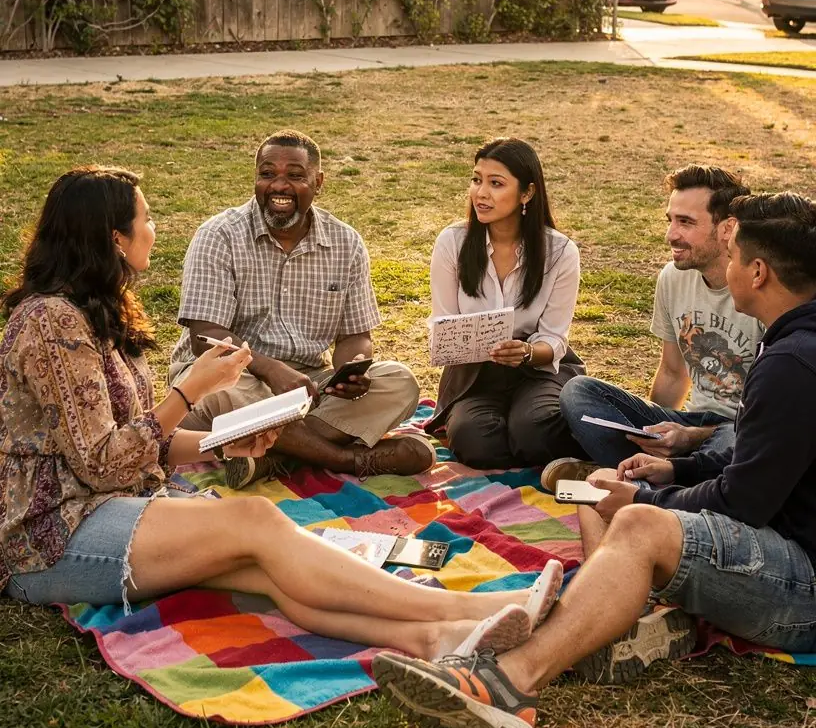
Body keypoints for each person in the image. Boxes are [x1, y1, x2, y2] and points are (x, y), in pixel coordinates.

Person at [0, 166, 565, 659]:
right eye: (145, 219)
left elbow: (138, 442)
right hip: (51, 534)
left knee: (272, 570)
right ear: (114, 239)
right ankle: (472, 607)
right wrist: (189, 392)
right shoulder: (52, 322)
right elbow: (104, 462)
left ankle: (439, 639)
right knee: (256, 521)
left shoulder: (95, 310)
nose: (154, 228)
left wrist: (221, 443)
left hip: (116, 500)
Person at [371, 191, 816, 728]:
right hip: (786, 538)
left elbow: (743, 502)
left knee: (636, 523)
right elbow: (759, 457)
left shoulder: (791, 364)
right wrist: (674, 471)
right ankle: (627, 618)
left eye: (733, 257)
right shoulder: (793, 346)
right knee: (606, 492)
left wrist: (644, 502)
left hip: (803, 587)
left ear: (758, 272)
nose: (726, 269)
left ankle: (508, 683)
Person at [169, 131, 428, 489]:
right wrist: (270, 369)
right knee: (230, 396)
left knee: (398, 381)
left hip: (307, 386)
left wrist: (350, 371)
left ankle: (272, 457)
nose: (279, 186)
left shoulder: (346, 242)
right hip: (225, 376)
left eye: (294, 175)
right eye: (267, 174)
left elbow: (355, 335)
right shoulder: (219, 235)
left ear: (318, 182)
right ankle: (345, 459)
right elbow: (205, 337)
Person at [542, 165, 759, 489]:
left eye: (685, 222)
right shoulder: (673, 278)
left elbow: (773, 420)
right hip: (690, 421)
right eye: (670, 220)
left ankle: (633, 481)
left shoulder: (761, 289)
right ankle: (655, 477)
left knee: (734, 442)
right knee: (578, 392)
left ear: (728, 228)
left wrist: (692, 437)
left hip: (740, 428)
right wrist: (653, 435)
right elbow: (672, 373)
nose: (671, 234)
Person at [426, 139, 585, 470]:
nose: (481, 193)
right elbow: (442, 325)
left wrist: (526, 352)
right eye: (476, 180)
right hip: (474, 373)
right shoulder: (452, 243)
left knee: (535, 431)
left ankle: (534, 436)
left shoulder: (559, 252)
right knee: (475, 442)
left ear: (527, 193)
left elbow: (555, 337)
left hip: (536, 368)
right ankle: (523, 441)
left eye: (496, 183)